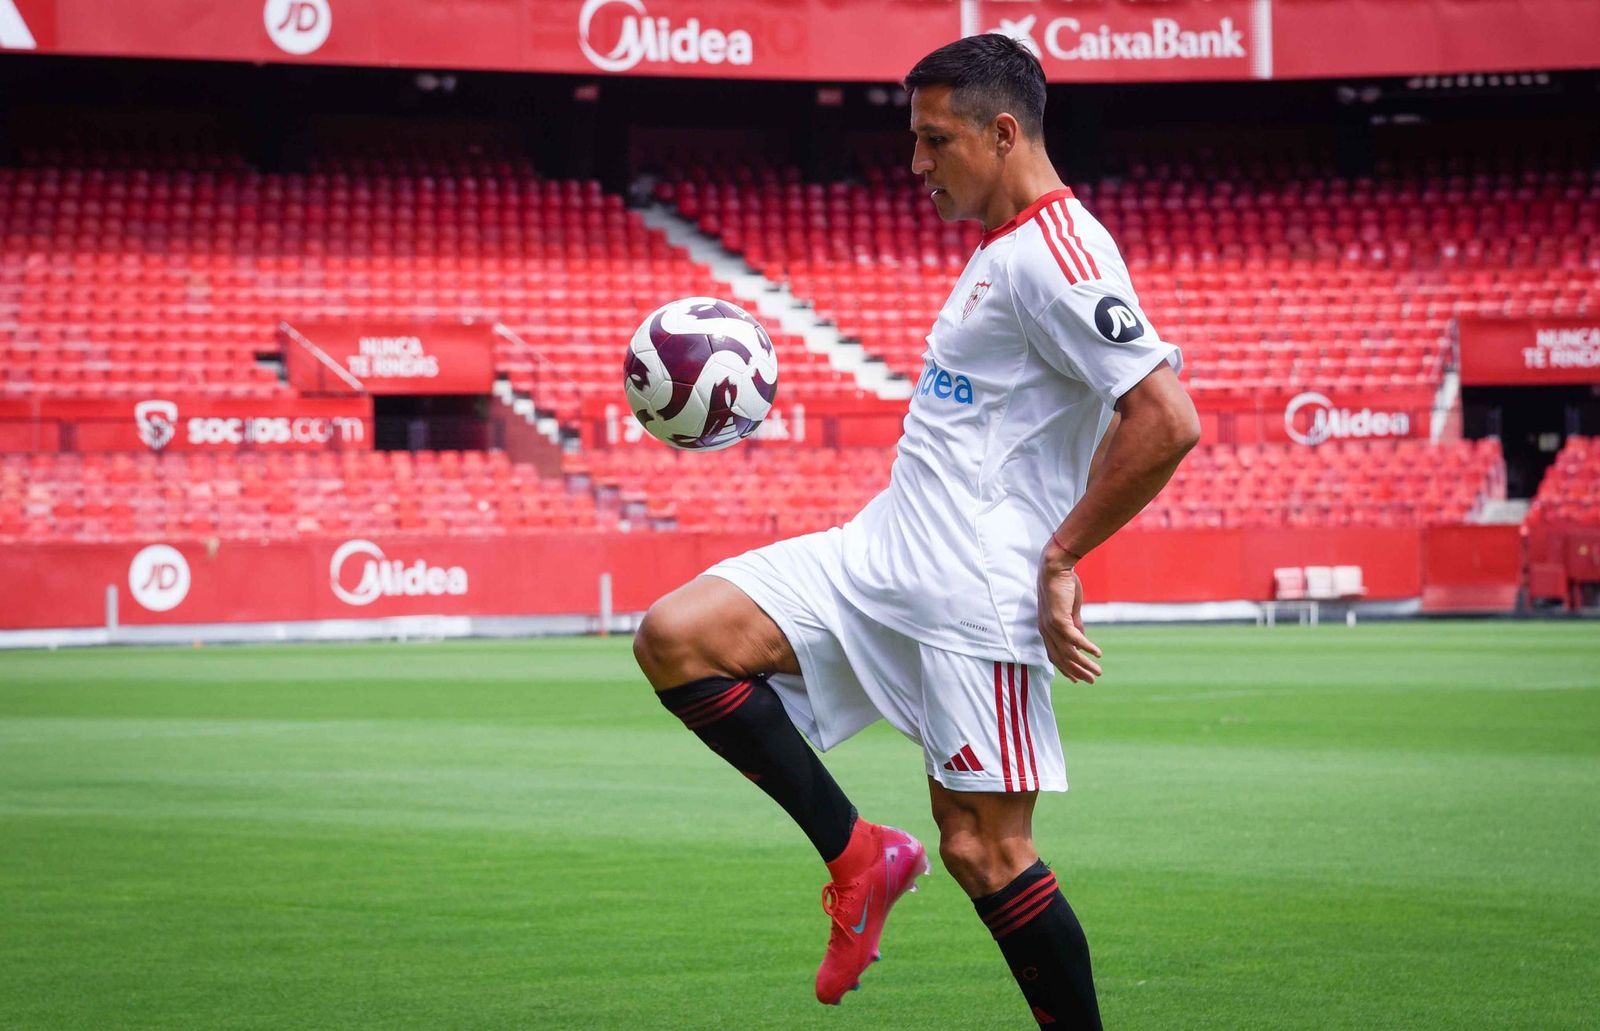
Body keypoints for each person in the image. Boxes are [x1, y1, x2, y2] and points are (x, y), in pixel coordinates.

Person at [633, 32, 1200, 1028]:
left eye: (933, 141)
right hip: (879, 555)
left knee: (985, 849)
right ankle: (859, 855)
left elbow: (1165, 419)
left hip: (971, 598)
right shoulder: (1002, 249)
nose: (914, 165)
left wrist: (1061, 555)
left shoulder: (1061, 256)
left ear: (1002, 130)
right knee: (677, 636)